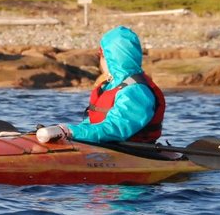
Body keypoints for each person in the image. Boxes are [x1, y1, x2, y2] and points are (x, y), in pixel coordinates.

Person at [36, 26, 165, 144]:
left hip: (135, 153)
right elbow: (95, 122)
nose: (100, 61)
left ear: (110, 58)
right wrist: (66, 130)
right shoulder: (111, 86)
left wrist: (71, 132)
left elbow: (115, 129)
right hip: (108, 147)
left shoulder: (136, 91)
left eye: (101, 56)